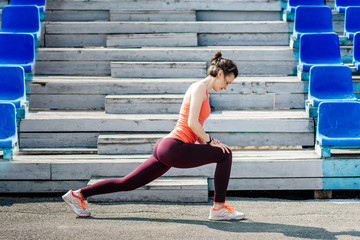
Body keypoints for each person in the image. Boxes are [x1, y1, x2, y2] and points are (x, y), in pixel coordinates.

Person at [62, 51, 245, 221]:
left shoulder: (201, 90)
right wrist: (210, 141)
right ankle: (218, 208)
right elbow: (191, 124)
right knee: (225, 154)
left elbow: (195, 129)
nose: (226, 87)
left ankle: (78, 195)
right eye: (227, 82)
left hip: (167, 147)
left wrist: (209, 143)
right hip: (174, 147)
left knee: (128, 182)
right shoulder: (199, 88)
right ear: (220, 73)